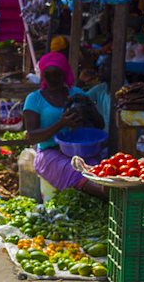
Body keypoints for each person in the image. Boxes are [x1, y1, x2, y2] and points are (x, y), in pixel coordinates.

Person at [24, 52, 105, 197]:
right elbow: (32, 137)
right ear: (43, 75)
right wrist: (61, 124)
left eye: (57, 74)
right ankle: (106, 195)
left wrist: (88, 106)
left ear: (64, 74)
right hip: (50, 154)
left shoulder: (76, 93)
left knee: (99, 169)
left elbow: (100, 125)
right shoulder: (35, 99)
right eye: (48, 75)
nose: (53, 79)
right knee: (76, 173)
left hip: (81, 152)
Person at [86, 56, 112, 131]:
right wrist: (81, 81)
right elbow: (82, 98)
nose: (100, 68)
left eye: (105, 65)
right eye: (100, 65)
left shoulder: (125, 93)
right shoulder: (102, 88)